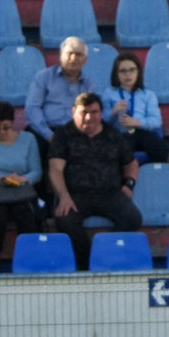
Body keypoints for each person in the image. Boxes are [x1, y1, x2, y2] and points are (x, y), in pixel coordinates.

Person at [45, 91, 141, 269]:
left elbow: (131, 163)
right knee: (65, 220)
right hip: (75, 195)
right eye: (83, 112)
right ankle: (86, 265)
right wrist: (64, 197)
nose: (89, 117)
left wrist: (129, 184)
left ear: (102, 112)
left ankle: (104, 256)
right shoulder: (63, 135)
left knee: (133, 218)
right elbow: (55, 169)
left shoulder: (113, 135)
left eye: (94, 112)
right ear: (74, 111)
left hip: (110, 194)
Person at [0, 99, 43, 262]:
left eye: (6, 127)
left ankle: (30, 257)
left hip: (21, 189)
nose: (2, 132)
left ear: (13, 123)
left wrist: (22, 178)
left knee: (24, 211)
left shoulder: (28, 139)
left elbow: (36, 172)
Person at [22, 33, 91, 142]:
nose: (73, 58)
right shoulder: (44, 77)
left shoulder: (89, 84)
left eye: (78, 54)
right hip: (45, 130)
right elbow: (32, 108)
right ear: (60, 56)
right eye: (69, 53)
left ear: (85, 60)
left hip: (74, 133)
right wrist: (49, 135)